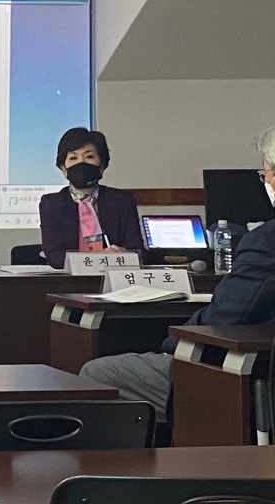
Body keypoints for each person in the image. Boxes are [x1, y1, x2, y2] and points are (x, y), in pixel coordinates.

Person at [79, 125, 275, 417]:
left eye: (265, 173)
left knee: (96, 373)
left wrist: (172, 342)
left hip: (243, 378)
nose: (265, 181)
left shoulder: (266, 242)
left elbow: (223, 319)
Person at [39, 127, 143, 269]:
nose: (81, 163)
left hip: (113, 275)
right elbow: (55, 256)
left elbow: (137, 251)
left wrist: (123, 254)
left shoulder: (122, 201)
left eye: (89, 157)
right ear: (63, 168)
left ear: (102, 166)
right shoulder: (51, 204)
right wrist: (98, 259)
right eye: (73, 158)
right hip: (69, 278)